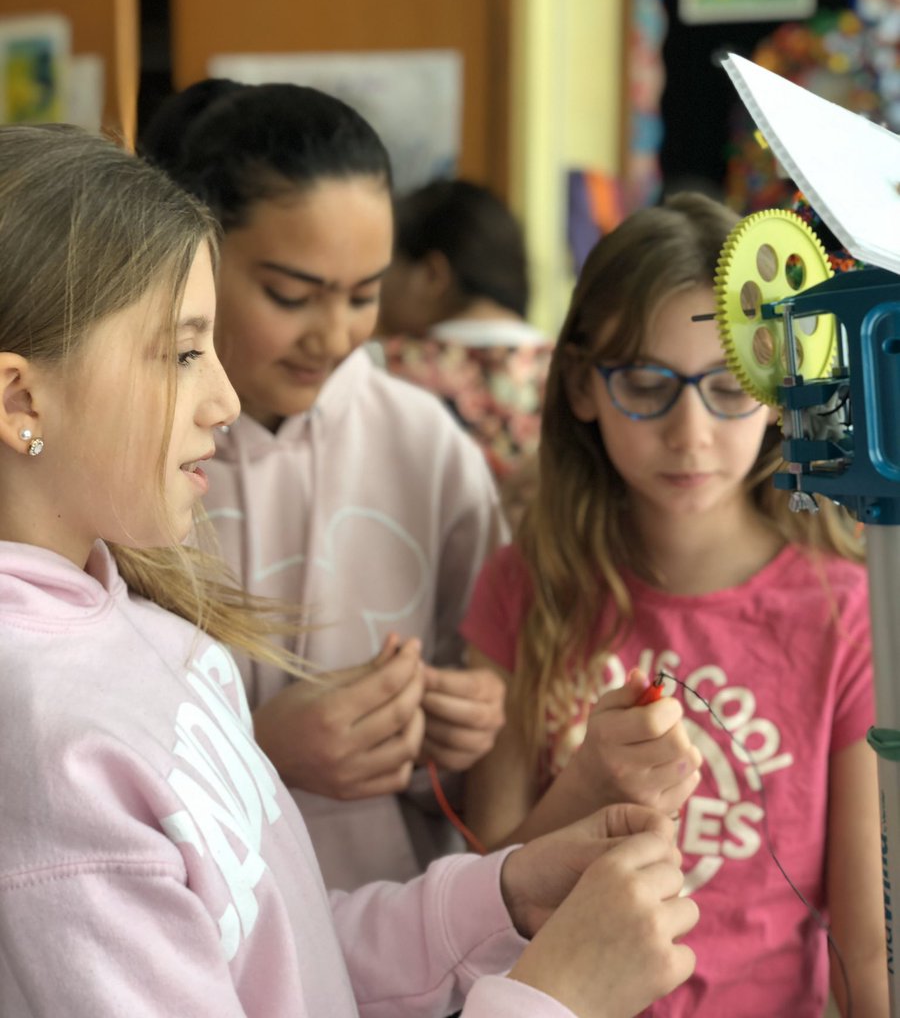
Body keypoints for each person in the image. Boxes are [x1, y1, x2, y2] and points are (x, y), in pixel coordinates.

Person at [0, 123, 700, 1016]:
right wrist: (556, 996)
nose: (223, 400)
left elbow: (281, 951)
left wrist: (499, 896)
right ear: (21, 399)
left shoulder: (146, 630)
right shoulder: (51, 752)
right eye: (181, 353)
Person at [461, 193, 886, 1016]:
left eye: (728, 387)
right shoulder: (524, 587)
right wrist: (587, 784)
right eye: (648, 384)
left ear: (780, 390)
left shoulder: (845, 615)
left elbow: (865, 948)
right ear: (582, 385)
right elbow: (484, 901)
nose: (689, 433)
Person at [142, 82, 508, 890]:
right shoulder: (127, 450)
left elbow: (489, 703)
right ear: (195, 260)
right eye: (292, 295)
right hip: (187, 917)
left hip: (397, 917)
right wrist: (259, 749)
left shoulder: (426, 448)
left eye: (365, 295)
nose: (335, 335)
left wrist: (469, 722)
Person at [376, 178, 553, 495]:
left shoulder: (380, 368)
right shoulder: (571, 373)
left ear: (432, 275)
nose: (378, 291)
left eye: (386, 269)